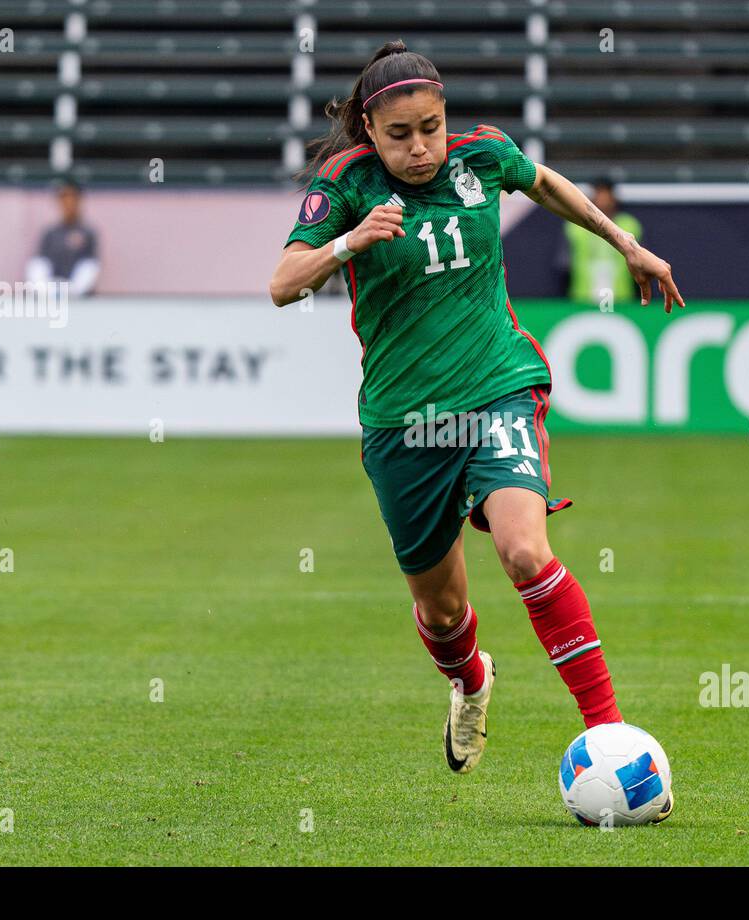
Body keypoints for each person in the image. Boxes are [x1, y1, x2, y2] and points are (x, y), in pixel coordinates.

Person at [269, 41, 683, 809]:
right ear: (370, 128)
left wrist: (626, 242)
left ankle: (609, 734)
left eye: (431, 126)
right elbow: (282, 284)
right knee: (443, 609)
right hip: (404, 422)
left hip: (498, 386)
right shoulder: (346, 184)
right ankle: (470, 680)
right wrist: (350, 240)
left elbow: (546, 183)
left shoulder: (482, 156)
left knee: (526, 552)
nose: (420, 146)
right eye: (400, 135)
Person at [562, 176, 644, 304]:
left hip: (621, 299)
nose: (603, 200)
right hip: (583, 298)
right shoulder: (575, 226)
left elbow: (641, 264)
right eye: (599, 194)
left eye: (606, 194)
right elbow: (564, 264)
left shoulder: (629, 225)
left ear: (613, 197)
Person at [26, 178, 100, 296]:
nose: (68, 203)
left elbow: (90, 268)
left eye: (72, 197)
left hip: (78, 299)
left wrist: (71, 291)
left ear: (78, 200)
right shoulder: (50, 233)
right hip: (50, 295)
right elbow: (39, 266)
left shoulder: (88, 233)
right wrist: (49, 290)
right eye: (63, 198)